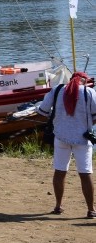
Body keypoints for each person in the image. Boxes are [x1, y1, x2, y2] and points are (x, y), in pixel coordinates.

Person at [36, 71, 96, 219]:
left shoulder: (57, 90)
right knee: (85, 173)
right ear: (84, 81)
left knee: (60, 171)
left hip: (61, 137)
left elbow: (43, 110)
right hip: (83, 139)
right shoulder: (89, 92)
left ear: (70, 80)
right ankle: (91, 209)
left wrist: (58, 117)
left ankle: (58, 206)